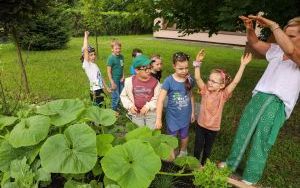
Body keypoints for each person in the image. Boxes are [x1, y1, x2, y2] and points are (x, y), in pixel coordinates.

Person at [219, 15, 300, 185]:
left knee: (261, 138)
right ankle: (232, 164)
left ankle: (250, 177)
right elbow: (255, 43)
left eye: (291, 35)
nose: (284, 38)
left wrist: (274, 25)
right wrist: (250, 28)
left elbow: (292, 51)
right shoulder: (278, 50)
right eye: (285, 34)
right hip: (260, 95)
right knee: (244, 130)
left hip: (277, 103)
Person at [192, 49, 252, 166]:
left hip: (213, 128)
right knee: (197, 147)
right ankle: (194, 164)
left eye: (214, 82)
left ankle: (203, 165)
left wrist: (243, 65)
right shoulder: (205, 90)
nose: (209, 83)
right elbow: (198, 78)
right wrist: (197, 63)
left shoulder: (223, 95)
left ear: (222, 85)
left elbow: (234, 82)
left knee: (207, 149)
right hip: (201, 125)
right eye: (209, 79)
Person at [155, 52, 195, 159]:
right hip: (172, 117)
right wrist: (158, 119)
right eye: (180, 68)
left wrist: (192, 112)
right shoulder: (169, 81)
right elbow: (160, 100)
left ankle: (183, 151)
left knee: (184, 135)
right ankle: (171, 152)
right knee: (171, 137)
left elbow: (191, 96)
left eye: (186, 68)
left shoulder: (189, 79)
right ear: (174, 66)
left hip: (185, 116)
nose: (184, 71)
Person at [120, 55, 161, 129]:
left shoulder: (155, 82)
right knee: (139, 132)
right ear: (137, 70)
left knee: (150, 132)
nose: (149, 71)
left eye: (150, 67)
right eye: (145, 69)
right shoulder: (129, 81)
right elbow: (123, 96)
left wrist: (148, 106)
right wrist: (130, 106)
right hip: (136, 114)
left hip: (151, 114)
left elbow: (157, 98)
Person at [81, 31, 111, 107]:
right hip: (94, 91)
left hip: (100, 89)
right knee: (97, 109)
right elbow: (85, 50)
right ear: (86, 57)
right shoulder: (87, 65)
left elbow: (100, 77)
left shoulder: (95, 65)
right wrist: (86, 37)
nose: (93, 56)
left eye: (94, 54)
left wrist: (106, 87)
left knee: (103, 106)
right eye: (91, 55)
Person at [107, 39, 125, 112]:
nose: (118, 50)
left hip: (121, 79)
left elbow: (122, 67)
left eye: (119, 48)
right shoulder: (111, 58)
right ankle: (113, 111)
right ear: (112, 49)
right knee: (115, 96)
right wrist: (112, 82)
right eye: (116, 49)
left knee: (121, 94)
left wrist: (123, 76)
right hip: (114, 80)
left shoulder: (121, 57)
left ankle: (117, 106)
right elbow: (108, 71)